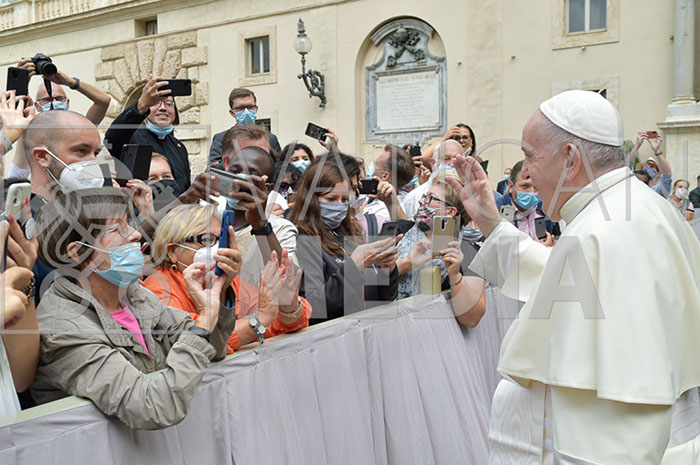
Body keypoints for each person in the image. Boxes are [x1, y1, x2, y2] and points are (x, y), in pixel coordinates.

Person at [449, 90, 700, 463]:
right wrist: (491, 224)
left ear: (570, 159)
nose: (526, 172)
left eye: (530, 156)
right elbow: (571, 282)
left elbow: (623, 418)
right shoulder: (630, 209)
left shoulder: (609, 228)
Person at [30, 188, 236, 429]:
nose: (136, 234)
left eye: (128, 223)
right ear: (77, 252)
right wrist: (203, 321)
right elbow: (153, 407)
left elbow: (213, 349)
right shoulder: (63, 328)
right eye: (117, 229)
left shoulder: (135, 296)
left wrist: (218, 295)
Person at [145, 204, 310, 352]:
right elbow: (199, 343)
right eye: (207, 240)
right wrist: (258, 320)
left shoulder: (227, 279)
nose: (218, 249)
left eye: (221, 240)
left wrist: (287, 308)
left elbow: (280, 325)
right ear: (172, 252)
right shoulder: (158, 287)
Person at [289, 161, 399, 324]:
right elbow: (313, 307)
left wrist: (387, 270)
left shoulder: (350, 232)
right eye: (331, 198)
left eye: (344, 199)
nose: (339, 205)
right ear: (310, 199)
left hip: (365, 330)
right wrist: (353, 267)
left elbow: (381, 299)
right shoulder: (302, 239)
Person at [395, 178, 487, 327]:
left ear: (450, 211)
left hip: (436, 331)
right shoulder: (398, 231)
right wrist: (407, 264)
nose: (421, 201)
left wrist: (455, 275)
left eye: (430, 198)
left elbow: (472, 319)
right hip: (392, 328)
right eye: (424, 196)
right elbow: (372, 282)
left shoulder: (469, 253)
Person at [8, 58, 111, 180]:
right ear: (37, 106)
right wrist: (20, 81)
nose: (54, 103)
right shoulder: (32, 134)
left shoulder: (78, 129)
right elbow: (16, 175)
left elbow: (104, 101)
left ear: (67, 102)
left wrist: (71, 82)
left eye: (59, 98)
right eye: (47, 100)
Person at [218, 142, 298, 287]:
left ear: (268, 189)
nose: (239, 180)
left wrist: (260, 224)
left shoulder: (281, 229)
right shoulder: (207, 219)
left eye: (252, 175)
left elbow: (287, 283)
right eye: (235, 171)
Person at [104, 75, 192, 194]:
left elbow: (184, 186)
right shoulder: (131, 138)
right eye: (155, 103)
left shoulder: (179, 147)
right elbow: (112, 137)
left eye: (169, 104)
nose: (163, 108)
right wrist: (141, 105)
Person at [209, 87, 282, 165]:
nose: (246, 111)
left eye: (250, 107)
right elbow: (215, 168)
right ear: (232, 113)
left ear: (256, 109)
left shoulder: (271, 139)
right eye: (241, 108)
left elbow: (279, 167)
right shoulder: (220, 139)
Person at [495, 160, 554, 245]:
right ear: (511, 186)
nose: (532, 192)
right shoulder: (497, 210)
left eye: (536, 187)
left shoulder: (545, 208)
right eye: (525, 186)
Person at [401, 139, 463, 219]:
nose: (452, 164)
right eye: (446, 159)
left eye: (457, 159)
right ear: (433, 163)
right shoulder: (414, 198)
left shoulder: (471, 194)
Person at [365, 144, 413, 221]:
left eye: (376, 164)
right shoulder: (371, 198)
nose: (372, 164)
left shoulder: (383, 213)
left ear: (385, 176)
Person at [629, 130, 672, 198]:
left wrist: (657, 151)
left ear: (658, 173)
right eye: (647, 166)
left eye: (652, 166)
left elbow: (667, 177)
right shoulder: (631, 190)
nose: (649, 168)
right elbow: (628, 166)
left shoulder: (657, 192)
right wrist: (637, 144)